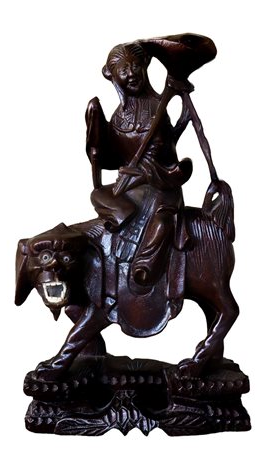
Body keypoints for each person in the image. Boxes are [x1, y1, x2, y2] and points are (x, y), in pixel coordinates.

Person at [85, 42, 192, 287]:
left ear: (145, 67)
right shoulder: (119, 117)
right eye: (124, 70)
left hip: (160, 186)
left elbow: (166, 154)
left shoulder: (157, 108)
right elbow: (112, 159)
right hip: (130, 189)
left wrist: (142, 174)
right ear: (111, 75)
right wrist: (95, 132)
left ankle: (144, 267)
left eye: (135, 67)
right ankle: (125, 219)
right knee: (97, 195)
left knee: (162, 224)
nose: (131, 74)